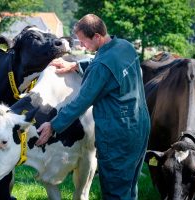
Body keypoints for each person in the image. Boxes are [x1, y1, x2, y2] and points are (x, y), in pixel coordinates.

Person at [35, 14, 150, 200]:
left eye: (83, 41)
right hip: (140, 125)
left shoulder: (101, 66)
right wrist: (75, 65)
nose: (82, 46)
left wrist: (53, 125)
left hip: (118, 134)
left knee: (115, 192)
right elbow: (105, 64)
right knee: (129, 186)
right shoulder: (125, 47)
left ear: (97, 36)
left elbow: (81, 102)